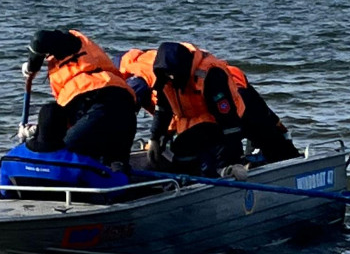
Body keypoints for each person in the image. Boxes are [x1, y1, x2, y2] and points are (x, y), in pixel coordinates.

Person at [119, 41, 300, 174]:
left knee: (269, 138)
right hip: (199, 122)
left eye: (173, 76)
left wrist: (232, 162)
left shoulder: (210, 77)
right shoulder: (164, 75)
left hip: (235, 109)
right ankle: (192, 181)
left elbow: (229, 125)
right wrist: (156, 139)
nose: (171, 80)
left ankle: (290, 165)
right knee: (183, 153)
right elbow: (163, 109)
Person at [23, 28, 137, 166]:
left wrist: (32, 65)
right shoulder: (82, 52)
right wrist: (36, 130)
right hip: (124, 107)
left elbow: (39, 39)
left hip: (99, 103)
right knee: (112, 167)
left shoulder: (69, 42)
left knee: (60, 154)